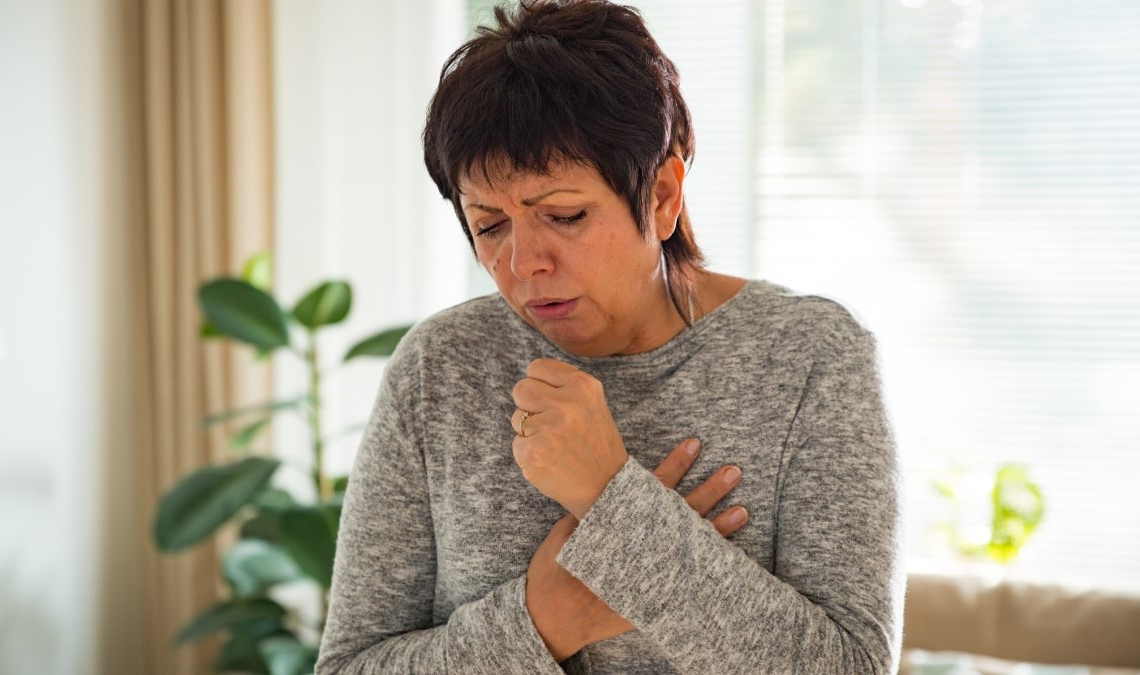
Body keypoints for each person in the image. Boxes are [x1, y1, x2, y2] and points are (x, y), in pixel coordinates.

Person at [316, 1, 904, 672]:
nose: (522, 263)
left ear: (660, 196)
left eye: (563, 214)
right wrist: (543, 618)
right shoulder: (441, 367)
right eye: (489, 225)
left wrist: (611, 503)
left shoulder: (812, 358)